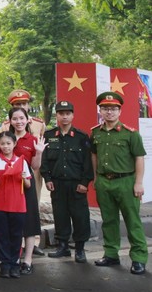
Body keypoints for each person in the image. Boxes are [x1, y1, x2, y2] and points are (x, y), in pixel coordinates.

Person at [91, 91, 147, 275]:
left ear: (119, 111)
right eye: (105, 108)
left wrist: (139, 183)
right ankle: (111, 254)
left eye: (113, 108)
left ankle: (138, 258)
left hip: (126, 182)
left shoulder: (131, 134)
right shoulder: (96, 132)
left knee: (132, 221)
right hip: (104, 182)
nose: (109, 112)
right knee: (108, 220)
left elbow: (139, 158)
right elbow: (94, 155)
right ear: (100, 111)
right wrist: (96, 178)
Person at [41, 100, 93, 263]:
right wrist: (47, 178)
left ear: (72, 115)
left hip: (76, 184)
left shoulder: (81, 137)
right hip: (57, 183)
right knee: (60, 215)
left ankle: (80, 249)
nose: (64, 116)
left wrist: (85, 182)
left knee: (80, 216)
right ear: (56, 115)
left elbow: (88, 162)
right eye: (61, 113)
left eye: (67, 113)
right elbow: (44, 160)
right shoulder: (49, 136)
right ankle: (63, 246)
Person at [0, 131, 32, 278]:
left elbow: (28, 185)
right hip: (0, 204)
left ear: (14, 144)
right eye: (2, 144)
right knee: (2, 235)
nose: (5, 146)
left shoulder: (21, 161)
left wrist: (24, 178)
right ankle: (5, 264)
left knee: (16, 235)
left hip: (18, 205)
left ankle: (15, 264)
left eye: (8, 143)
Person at [8, 107, 46, 274]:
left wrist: (39, 153)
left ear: (27, 119)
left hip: (27, 183)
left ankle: (28, 260)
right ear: (10, 121)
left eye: (21, 118)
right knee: (12, 221)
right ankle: (14, 257)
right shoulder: (6, 138)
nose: (19, 122)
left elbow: (35, 166)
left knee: (29, 222)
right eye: (15, 118)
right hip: (9, 184)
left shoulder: (33, 139)